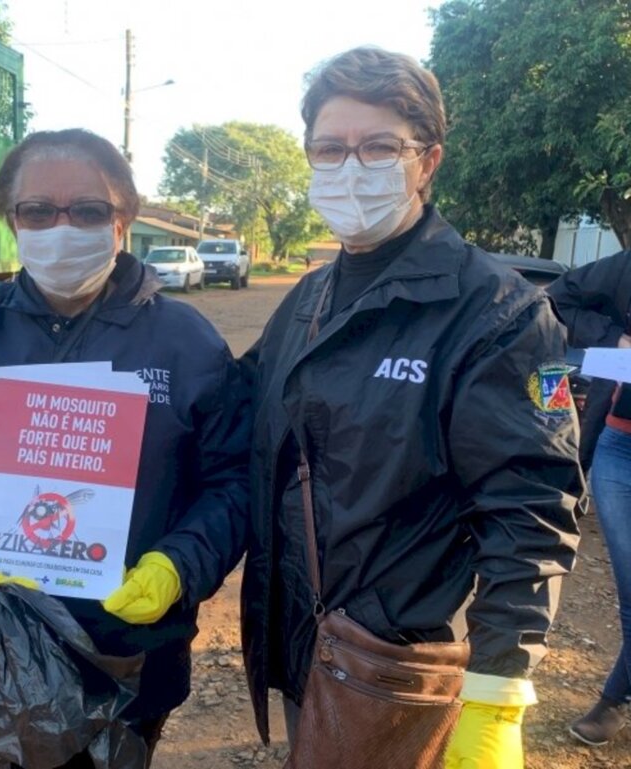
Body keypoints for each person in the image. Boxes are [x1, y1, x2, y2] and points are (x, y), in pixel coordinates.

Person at [0, 128, 249, 767]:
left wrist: (179, 566)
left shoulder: (186, 342)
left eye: (89, 211)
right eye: (38, 211)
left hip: (124, 655)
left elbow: (232, 481)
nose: (61, 227)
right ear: (11, 221)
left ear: (123, 220)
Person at [239, 47, 583, 767]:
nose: (350, 167)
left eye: (378, 147)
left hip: (403, 666)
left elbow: (535, 503)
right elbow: (232, 416)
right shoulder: (306, 300)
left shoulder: (506, 314)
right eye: (330, 148)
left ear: (427, 161)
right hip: (309, 646)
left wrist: (498, 688)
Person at [548, 250, 631, 745]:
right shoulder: (625, 268)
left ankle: (614, 699)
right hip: (620, 451)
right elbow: (557, 300)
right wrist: (614, 342)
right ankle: (614, 703)